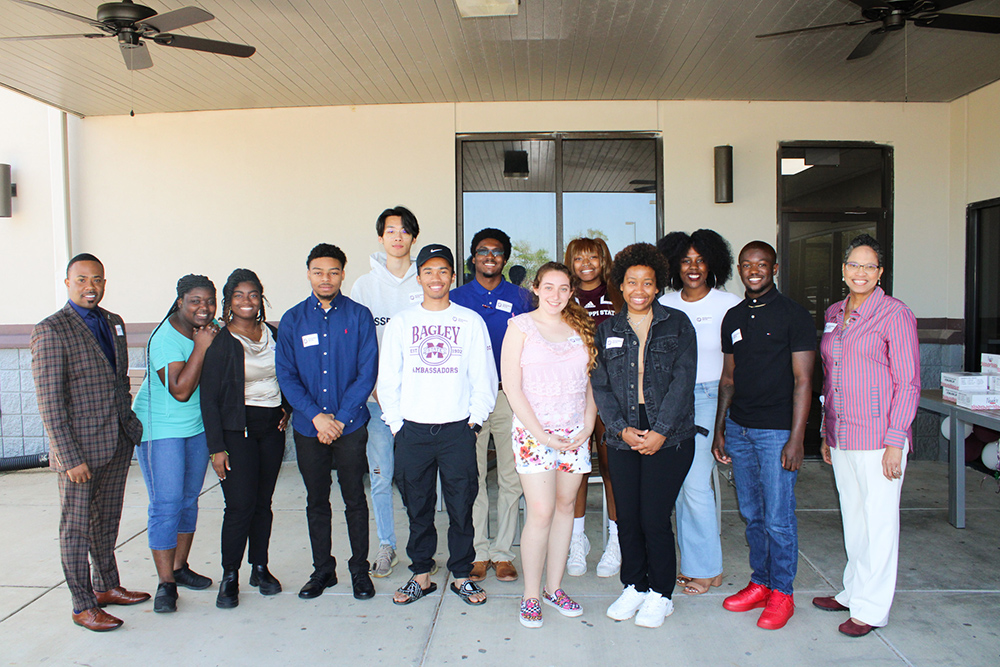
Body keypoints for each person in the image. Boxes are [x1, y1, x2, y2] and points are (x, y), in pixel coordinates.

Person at [30, 253, 149, 632]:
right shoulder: (51, 329)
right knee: (76, 527)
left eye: (97, 279)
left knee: (107, 521)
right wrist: (68, 456)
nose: (90, 287)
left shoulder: (112, 323)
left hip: (115, 442)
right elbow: (49, 401)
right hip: (79, 451)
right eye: (81, 280)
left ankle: (106, 586)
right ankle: (82, 605)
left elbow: (117, 380)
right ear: (67, 283)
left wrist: (128, 426)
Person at [379, 244, 497, 606]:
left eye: (443, 271)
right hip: (412, 431)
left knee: (462, 505)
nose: (436, 277)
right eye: (428, 271)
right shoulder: (402, 322)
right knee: (418, 506)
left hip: (457, 430)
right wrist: (398, 426)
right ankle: (421, 574)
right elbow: (388, 381)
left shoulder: (469, 322)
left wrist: (474, 423)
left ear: (452, 277)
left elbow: (484, 379)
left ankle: (462, 574)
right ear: (419, 277)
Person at [814, 234, 920, 637]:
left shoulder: (895, 314)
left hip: (880, 437)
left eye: (869, 266)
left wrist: (896, 442)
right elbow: (831, 375)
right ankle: (854, 590)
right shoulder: (835, 311)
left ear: (880, 272)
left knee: (879, 523)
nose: (861, 273)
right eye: (854, 265)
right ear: (843, 269)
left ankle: (872, 609)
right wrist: (827, 431)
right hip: (843, 433)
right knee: (854, 519)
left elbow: (909, 382)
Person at [590, 243, 697, 629]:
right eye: (631, 282)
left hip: (670, 435)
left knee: (653, 516)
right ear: (620, 285)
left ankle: (661, 594)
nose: (639, 289)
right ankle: (635, 585)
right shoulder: (608, 330)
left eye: (647, 282)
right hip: (623, 435)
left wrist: (660, 433)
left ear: (657, 286)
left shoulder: (678, 324)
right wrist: (620, 429)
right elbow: (600, 387)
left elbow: (683, 383)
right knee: (629, 518)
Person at [713, 241, 815, 631]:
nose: (753, 270)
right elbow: (728, 379)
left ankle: (783, 593)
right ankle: (761, 582)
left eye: (761, 264)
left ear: (774, 268)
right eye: (746, 264)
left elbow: (804, 381)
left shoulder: (794, 315)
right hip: (739, 428)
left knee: (778, 518)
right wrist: (721, 429)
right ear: (739, 269)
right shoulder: (733, 317)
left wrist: (796, 439)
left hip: (777, 433)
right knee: (752, 515)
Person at [276, 244, 378, 601]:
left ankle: (359, 570)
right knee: (316, 500)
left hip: (350, 426)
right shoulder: (292, 319)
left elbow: (367, 373)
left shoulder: (359, 316)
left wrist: (340, 418)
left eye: (333, 272)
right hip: (308, 426)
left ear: (343, 275)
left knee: (355, 499)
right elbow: (286, 375)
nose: (326, 278)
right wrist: (317, 417)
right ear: (308, 273)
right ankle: (323, 570)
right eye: (318, 271)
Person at [501, 262, 598, 628]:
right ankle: (530, 595)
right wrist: (541, 435)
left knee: (564, 509)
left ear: (571, 292)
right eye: (548, 287)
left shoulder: (579, 328)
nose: (555, 295)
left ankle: (553, 589)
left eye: (563, 288)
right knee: (540, 512)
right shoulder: (521, 327)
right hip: (534, 434)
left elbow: (591, 382)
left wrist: (588, 424)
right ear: (536, 289)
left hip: (574, 433)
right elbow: (511, 386)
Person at [200, 269, 291, 609]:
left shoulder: (275, 334)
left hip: (272, 429)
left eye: (253, 294)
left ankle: (260, 567)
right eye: (239, 295)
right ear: (228, 302)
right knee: (239, 506)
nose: (247, 301)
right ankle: (230, 575)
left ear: (261, 298)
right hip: (235, 432)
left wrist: (287, 408)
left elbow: (291, 375)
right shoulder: (221, 342)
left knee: (262, 504)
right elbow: (208, 398)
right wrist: (216, 448)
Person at [657, 230, 740, 596]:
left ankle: (706, 568)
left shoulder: (728, 304)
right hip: (672, 399)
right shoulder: (666, 302)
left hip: (711, 397)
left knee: (694, 483)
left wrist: (729, 412)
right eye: (686, 260)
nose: (694, 268)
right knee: (678, 485)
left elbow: (738, 366)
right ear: (674, 264)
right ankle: (699, 564)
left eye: (701, 260)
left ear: (713, 264)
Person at [132, 274, 219, 613]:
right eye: (196, 301)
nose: (204, 308)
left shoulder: (208, 329)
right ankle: (165, 583)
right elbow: (181, 391)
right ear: (180, 301)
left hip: (195, 427)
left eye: (209, 301)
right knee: (166, 503)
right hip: (160, 428)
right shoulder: (165, 338)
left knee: (188, 500)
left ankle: (180, 568)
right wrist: (201, 347)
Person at [450, 228, 531, 584]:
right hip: (468, 399)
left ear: (505, 258)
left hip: (510, 396)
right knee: (475, 476)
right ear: (472, 257)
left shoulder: (523, 297)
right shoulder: (455, 297)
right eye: (482, 251)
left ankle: (503, 553)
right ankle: (479, 551)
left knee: (512, 477)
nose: (489, 256)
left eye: (496, 252)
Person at [350, 206, 421, 578]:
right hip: (378, 400)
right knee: (381, 474)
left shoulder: (425, 281)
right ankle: (386, 545)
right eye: (391, 230)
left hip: (422, 403)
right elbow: (360, 343)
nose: (398, 237)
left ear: (413, 237)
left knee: (417, 477)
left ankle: (420, 546)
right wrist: (374, 387)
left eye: (405, 230)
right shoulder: (364, 285)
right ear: (381, 237)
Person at [563, 237, 624, 578]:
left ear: (604, 260)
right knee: (577, 466)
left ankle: (616, 540)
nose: (586, 263)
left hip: (611, 391)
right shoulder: (564, 295)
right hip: (572, 391)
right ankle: (577, 539)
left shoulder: (618, 294)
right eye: (579, 258)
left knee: (612, 464)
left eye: (593, 257)